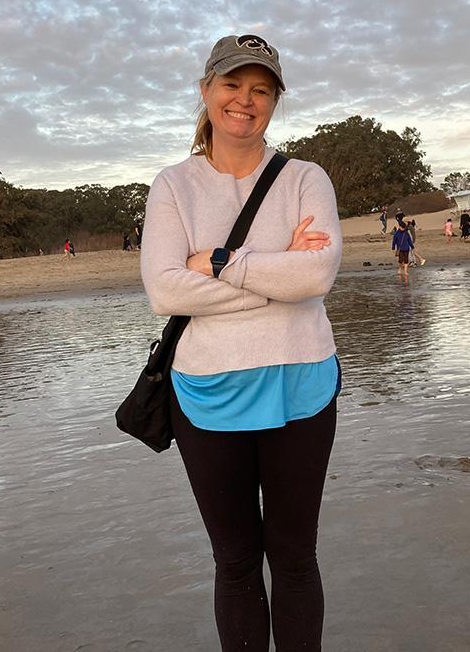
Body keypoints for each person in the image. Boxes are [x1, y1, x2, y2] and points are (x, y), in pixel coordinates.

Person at [141, 34, 341, 651]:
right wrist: (276, 274)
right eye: (232, 85)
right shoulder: (172, 186)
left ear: (275, 102)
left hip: (301, 383)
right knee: (234, 560)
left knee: (294, 556)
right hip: (205, 391)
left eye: (261, 90)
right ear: (206, 92)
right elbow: (167, 293)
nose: (245, 101)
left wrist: (221, 260)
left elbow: (317, 275)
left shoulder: (306, 178)